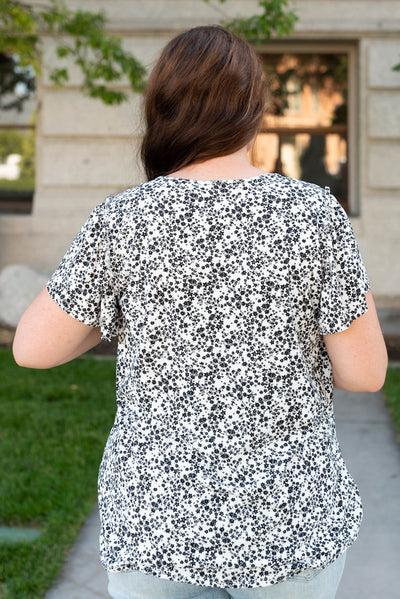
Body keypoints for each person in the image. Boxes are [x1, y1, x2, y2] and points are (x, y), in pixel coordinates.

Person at [13, 25, 387, 599]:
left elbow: (33, 349)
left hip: (155, 522)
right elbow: (365, 373)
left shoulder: (125, 219)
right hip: (286, 520)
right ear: (254, 109)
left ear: (160, 108)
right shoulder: (313, 215)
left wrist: (123, 312)